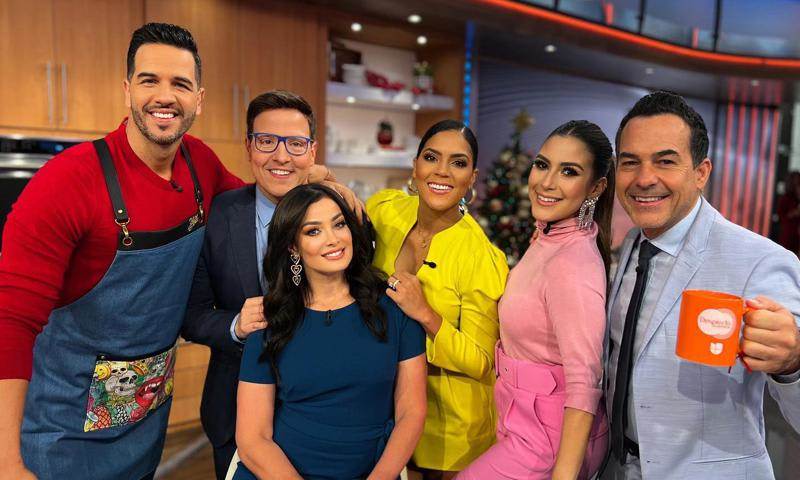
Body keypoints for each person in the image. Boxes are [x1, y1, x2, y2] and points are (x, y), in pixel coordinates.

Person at [0, 23, 244, 480]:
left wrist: (314, 182)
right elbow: (10, 323)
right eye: (150, 80)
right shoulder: (67, 182)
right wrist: (6, 461)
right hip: (62, 433)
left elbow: (251, 208)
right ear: (128, 88)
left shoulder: (200, 165)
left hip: (146, 421)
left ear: (199, 99)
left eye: (180, 84)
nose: (165, 96)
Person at [603, 91, 800, 479]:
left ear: (701, 172)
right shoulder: (633, 243)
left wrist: (793, 363)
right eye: (630, 162)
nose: (644, 178)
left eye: (665, 161)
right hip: (619, 468)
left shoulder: (758, 260)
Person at [232, 184, 427, 479]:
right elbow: (252, 439)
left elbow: (411, 413)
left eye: (339, 224)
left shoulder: (394, 307)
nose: (333, 239)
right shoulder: (270, 320)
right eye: (314, 231)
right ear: (293, 247)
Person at [458, 120, 612, 479]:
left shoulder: (572, 263)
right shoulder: (548, 237)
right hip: (522, 421)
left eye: (569, 171)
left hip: (550, 441)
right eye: (543, 165)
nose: (546, 182)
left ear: (596, 187)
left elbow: (585, 381)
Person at [182, 89, 324, 479]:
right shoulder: (218, 214)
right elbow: (192, 315)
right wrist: (234, 326)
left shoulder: (337, 218)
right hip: (233, 410)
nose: (281, 156)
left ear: (312, 151)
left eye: (295, 144)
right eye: (267, 141)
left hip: (318, 412)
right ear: (249, 147)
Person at [367, 120, 509, 478]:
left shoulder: (480, 257)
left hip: (449, 431)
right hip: (385, 410)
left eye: (458, 163)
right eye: (431, 157)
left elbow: (481, 361)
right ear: (415, 166)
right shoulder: (384, 210)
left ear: (472, 178)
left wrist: (425, 313)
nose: (442, 171)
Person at [776, 171, 800, 255]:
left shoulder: (797, 198)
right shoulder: (785, 198)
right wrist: (794, 213)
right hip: (789, 233)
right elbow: (781, 217)